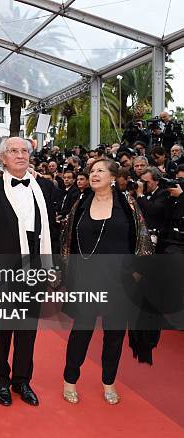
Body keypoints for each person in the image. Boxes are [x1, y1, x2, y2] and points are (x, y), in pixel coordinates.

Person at [60, 158, 153, 405]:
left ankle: (108, 382)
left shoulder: (127, 204)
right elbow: (67, 238)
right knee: (81, 331)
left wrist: (137, 270)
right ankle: (70, 380)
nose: (94, 174)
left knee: (113, 335)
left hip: (119, 281)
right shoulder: (80, 203)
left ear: (113, 177)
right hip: (86, 279)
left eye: (100, 170)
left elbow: (142, 237)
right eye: (91, 171)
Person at [0, 137, 58, 407]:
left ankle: (22, 380)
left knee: (28, 329)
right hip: (2, 269)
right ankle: (0, 381)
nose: (20, 155)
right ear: (2, 158)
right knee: (1, 329)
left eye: (24, 150)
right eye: (14, 151)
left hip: (36, 266)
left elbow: (52, 232)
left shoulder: (46, 187)